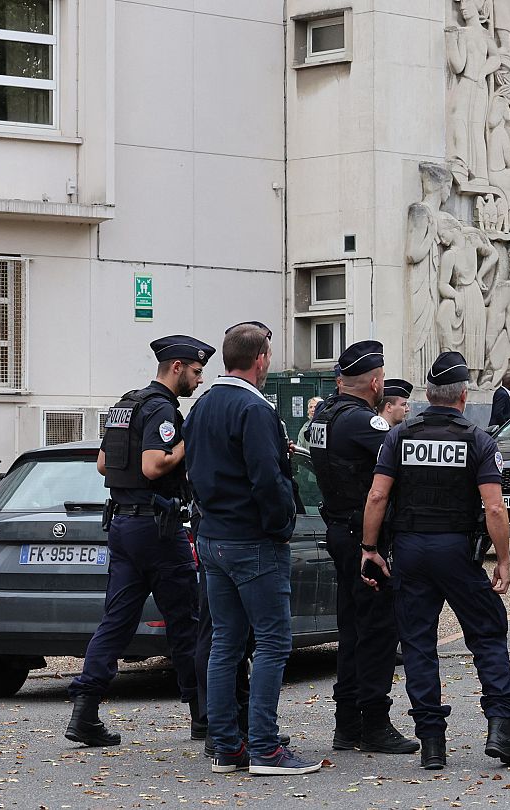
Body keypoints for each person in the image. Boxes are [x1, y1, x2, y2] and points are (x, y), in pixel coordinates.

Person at [359, 351, 510, 771]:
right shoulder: (478, 439)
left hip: (411, 552)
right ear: (463, 396)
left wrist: (369, 548)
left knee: (418, 644)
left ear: (429, 394)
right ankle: (501, 729)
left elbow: (378, 495)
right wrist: (504, 559)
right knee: (487, 635)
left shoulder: (398, 437)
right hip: (457, 552)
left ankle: (432, 742)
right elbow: (494, 509)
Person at [185, 322, 322, 776]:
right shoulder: (255, 408)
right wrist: (281, 525)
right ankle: (265, 746)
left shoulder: (201, 406)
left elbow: (196, 467)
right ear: (261, 359)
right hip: (252, 540)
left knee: (225, 642)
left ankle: (227, 745)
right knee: (272, 643)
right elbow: (268, 479)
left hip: (213, 536)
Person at [65, 335, 213, 748]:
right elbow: (153, 465)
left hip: (124, 527)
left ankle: (85, 710)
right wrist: (189, 441)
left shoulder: (125, 404)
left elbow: (101, 463)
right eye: (197, 371)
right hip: (157, 530)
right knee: (185, 622)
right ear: (178, 367)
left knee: (115, 621)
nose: (200, 381)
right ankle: (201, 715)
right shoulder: (163, 408)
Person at [305, 341, 418, 755]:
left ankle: (347, 723)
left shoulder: (325, 415)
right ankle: (373, 722)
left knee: (353, 628)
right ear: (375, 382)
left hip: (339, 528)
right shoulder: (361, 422)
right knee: (376, 631)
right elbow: (403, 464)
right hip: (362, 535)